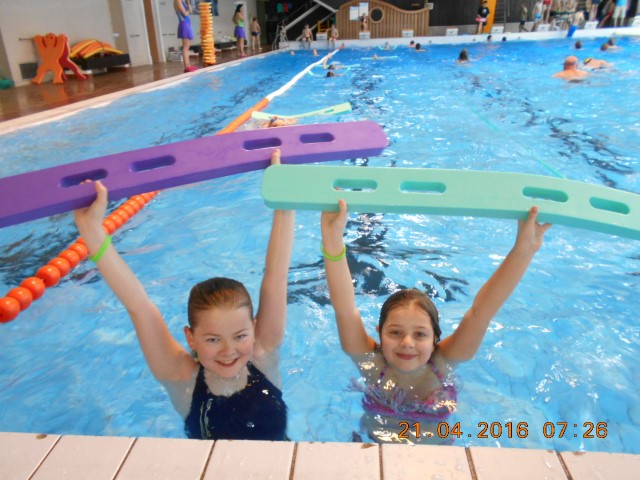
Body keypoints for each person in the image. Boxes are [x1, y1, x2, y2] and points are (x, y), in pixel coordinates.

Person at [73, 149, 295, 441]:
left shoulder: (263, 354)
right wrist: (92, 231)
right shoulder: (183, 381)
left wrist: (284, 195)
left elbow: (277, 274)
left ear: (254, 329)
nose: (228, 350)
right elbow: (139, 306)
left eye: (240, 336)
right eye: (212, 339)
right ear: (191, 338)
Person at [320, 201, 550, 444]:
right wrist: (333, 242)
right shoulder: (372, 365)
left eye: (420, 334)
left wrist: (524, 251)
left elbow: (481, 312)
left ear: (435, 339)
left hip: (437, 456)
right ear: (379, 333)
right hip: (373, 450)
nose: (407, 343)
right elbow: (345, 310)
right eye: (395, 332)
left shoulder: (443, 364)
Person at [174, 0, 197, 73]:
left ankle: (188, 65)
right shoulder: (178, 1)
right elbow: (185, 14)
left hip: (187, 23)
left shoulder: (183, 1)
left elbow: (190, 10)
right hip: (184, 24)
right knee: (185, 47)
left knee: (187, 47)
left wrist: (188, 4)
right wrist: (188, 9)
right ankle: (187, 66)